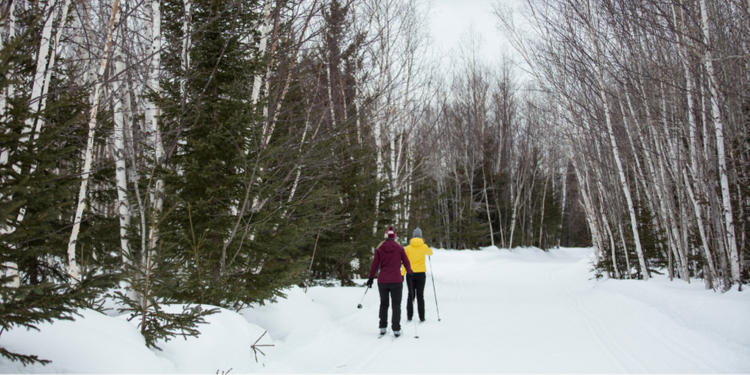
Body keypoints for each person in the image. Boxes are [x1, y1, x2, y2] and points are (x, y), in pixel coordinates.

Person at [367, 226, 412, 337]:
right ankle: (396, 328)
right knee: (396, 304)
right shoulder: (400, 248)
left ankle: (382, 327)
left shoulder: (380, 249)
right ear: (395, 237)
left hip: (383, 280)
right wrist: (410, 273)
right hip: (396, 280)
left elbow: (374, 265)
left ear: (386, 237)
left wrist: (371, 278)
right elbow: (406, 262)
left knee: (384, 303)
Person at [401, 227, 433, 322]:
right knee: (420, 295)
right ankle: (422, 317)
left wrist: (402, 274)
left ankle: (409, 316)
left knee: (410, 295)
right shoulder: (424, 246)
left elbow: (404, 262)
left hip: (410, 274)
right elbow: (430, 253)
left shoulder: (408, 248)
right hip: (421, 274)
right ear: (421, 236)